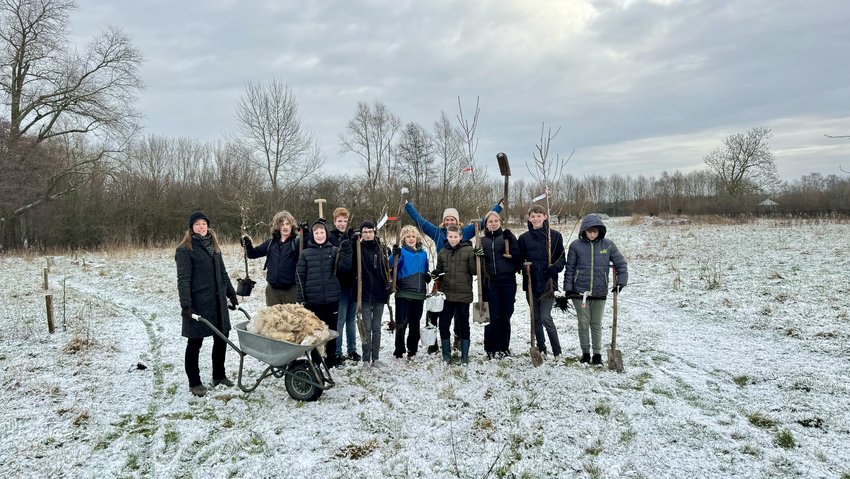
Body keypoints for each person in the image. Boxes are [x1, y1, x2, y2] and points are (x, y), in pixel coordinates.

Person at [404, 197, 503, 349]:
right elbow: (421, 222)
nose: (450, 222)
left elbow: (483, 222)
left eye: (452, 219)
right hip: (441, 278)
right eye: (447, 219)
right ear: (444, 221)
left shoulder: (464, 232)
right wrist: (408, 206)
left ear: (457, 222)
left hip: (460, 279)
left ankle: (458, 337)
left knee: (459, 311)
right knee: (433, 310)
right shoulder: (437, 232)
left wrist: (498, 208)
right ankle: (433, 342)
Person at [175, 211, 239, 397]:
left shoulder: (214, 246)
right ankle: (194, 382)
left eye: (204, 224)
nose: (201, 227)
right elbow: (183, 279)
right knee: (195, 342)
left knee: (222, 338)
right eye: (197, 224)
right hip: (198, 303)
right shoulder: (185, 250)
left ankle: (219, 375)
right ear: (191, 228)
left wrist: (231, 293)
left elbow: (223, 272)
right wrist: (186, 305)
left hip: (218, 301)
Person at [563, 214, 628, 366]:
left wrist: (621, 282)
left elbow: (621, 264)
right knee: (583, 323)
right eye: (589, 231)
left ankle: (597, 354)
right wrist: (568, 289)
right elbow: (570, 268)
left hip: (599, 292)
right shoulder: (575, 246)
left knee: (596, 324)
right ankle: (585, 353)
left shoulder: (608, 245)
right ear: (584, 230)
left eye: (596, 231)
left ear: (600, 231)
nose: (592, 234)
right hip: (580, 293)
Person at [296, 220, 353, 368]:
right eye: (316, 233)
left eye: (322, 232)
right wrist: (301, 299)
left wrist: (346, 250)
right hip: (313, 300)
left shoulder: (334, 251)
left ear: (326, 234)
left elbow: (344, 269)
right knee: (315, 331)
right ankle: (316, 359)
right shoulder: (306, 254)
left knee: (331, 331)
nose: (319, 235)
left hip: (332, 299)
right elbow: (300, 277)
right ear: (312, 235)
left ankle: (331, 360)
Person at [517, 205, 565, 359]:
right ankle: (542, 349)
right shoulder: (523, 238)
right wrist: (523, 268)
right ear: (529, 219)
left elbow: (561, 259)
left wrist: (554, 268)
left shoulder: (555, 236)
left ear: (545, 217)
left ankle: (557, 352)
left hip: (548, 283)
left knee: (545, 317)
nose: (536, 218)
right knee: (536, 319)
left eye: (539, 215)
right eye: (533, 216)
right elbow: (518, 260)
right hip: (530, 284)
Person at [431, 225, 476, 364]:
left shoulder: (469, 250)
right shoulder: (443, 252)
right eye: (450, 236)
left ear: (461, 237)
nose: (453, 239)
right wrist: (435, 274)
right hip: (447, 295)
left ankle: (464, 356)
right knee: (444, 324)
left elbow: (474, 270)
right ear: (447, 237)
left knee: (463, 325)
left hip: (463, 295)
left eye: (456, 236)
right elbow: (439, 271)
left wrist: (479, 257)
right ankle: (446, 355)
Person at [479, 211, 519, 359]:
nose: (493, 223)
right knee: (492, 315)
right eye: (490, 221)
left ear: (500, 222)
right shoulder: (481, 241)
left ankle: (504, 347)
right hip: (489, 282)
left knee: (505, 314)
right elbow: (476, 263)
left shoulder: (507, 237)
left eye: (496, 220)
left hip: (507, 281)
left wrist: (513, 244)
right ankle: (491, 348)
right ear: (486, 224)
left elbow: (517, 257)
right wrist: (477, 253)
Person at [241, 210, 300, 306]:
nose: (285, 227)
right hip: (272, 291)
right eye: (282, 224)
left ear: (291, 226)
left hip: (291, 290)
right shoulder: (271, 243)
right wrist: (247, 244)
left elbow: (311, 245)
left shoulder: (297, 243)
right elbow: (252, 254)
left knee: (291, 320)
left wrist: (306, 233)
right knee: (273, 320)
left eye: (287, 224)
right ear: (278, 227)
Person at [353, 220, 391, 366]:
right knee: (366, 327)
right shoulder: (358, 248)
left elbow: (388, 268)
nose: (368, 234)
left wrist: (388, 285)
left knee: (376, 328)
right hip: (364, 294)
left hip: (380, 293)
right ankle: (365, 358)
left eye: (370, 232)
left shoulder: (381, 249)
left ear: (374, 232)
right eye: (365, 232)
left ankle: (375, 358)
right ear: (361, 234)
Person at [389, 225, 430, 360]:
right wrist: (394, 254)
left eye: (413, 236)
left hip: (419, 293)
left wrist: (427, 275)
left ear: (417, 238)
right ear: (403, 239)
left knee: (415, 323)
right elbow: (391, 265)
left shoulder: (423, 254)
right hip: (403, 292)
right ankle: (399, 349)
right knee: (402, 322)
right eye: (408, 237)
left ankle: (412, 348)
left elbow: (426, 269)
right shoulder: (401, 252)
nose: (411, 239)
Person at [328, 207, 361, 363]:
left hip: (353, 284)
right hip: (338, 285)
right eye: (339, 221)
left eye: (345, 221)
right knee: (340, 319)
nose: (342, 224)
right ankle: (337, 351)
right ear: (334, 221)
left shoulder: (353, 236)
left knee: (351, 319)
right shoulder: (331, 237)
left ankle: (352, 350)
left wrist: (356, 240)